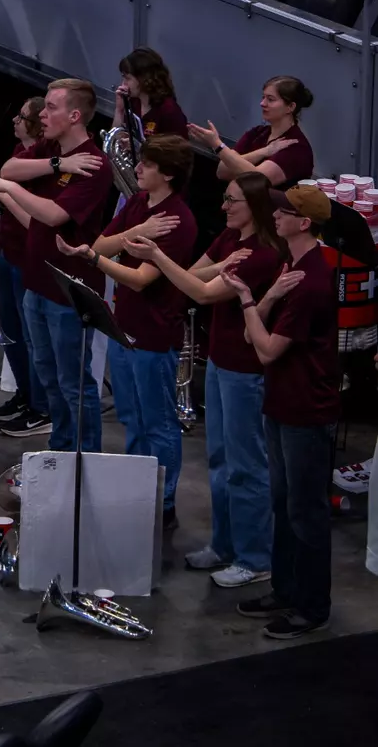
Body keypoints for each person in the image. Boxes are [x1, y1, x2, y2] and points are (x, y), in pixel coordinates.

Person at [125, 171, 285, 588]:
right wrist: (174, 265)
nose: (224, 207)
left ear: (255, 208)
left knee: (246, 465)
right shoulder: (230, 241)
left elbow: (202, 292)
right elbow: (194, 274)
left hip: (245, 371)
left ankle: (255, 557)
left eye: (233, 201)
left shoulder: (262, 254)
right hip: (220, 362)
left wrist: (157, 258)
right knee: (218, 459)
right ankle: (226, 544)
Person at [56, 135, 198, 528]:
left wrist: (94, 258)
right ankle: (137, 486)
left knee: (158, 422)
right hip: (124, 328)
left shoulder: (177, 221)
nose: (138, 169)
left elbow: (138, 279)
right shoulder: (140, 205)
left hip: (153, 335)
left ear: (167, 174)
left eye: (148, 165)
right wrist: (121, 241)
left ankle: (163, 501)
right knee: (132, 418)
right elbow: (103, 240)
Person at [226, 185, 339, 639]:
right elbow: (258, 339)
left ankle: (312, 605)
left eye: (283, 212)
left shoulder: (310, 280)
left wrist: (250, 300)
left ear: (304, 222)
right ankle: (286, 588)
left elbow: (267, 348)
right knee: (283, 502)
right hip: (282, 403)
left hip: (306, 411)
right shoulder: (292, 269)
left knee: (306, 511)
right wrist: (266, 299)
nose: (274, 216)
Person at [0, 80, 113, 453]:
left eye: (51, 107)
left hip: (68, 293)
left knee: (74, 383)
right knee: (49, 378)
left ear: (74, 115)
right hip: (37, 283)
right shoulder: (55, 148)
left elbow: (53, 214)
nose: (42, 114)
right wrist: (56, 163)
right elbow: (10, 166)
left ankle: (86, 460)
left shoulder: (95, 164)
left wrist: (6, 190)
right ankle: (61, 447)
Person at [0, 97, 50, 436]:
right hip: (8, 252)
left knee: (32, 338)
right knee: (11, 332)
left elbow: (35, 219)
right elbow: (7, 172)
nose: (15, 119)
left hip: (29, 259)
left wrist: (5, 195)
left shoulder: (45, 159)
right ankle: (25, 394)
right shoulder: (21, 152)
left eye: (22, 115)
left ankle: (40, 405)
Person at [188, 75, 316, 189]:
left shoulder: (295, 147)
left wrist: (217, 145)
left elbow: (258, 179)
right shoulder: (257, 133)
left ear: (290, 107)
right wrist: (263, 152)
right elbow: (222, 171)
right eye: (263, 97)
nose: (262, 103)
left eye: (270, 99)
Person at [115, 47, 187, 140]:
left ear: (144, 79)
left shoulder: (169, 111)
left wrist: (139, 149)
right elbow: (116, 141)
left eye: (128, 78)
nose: (123, 84)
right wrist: (119, 110)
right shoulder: (133, 101)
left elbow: (178, 152)